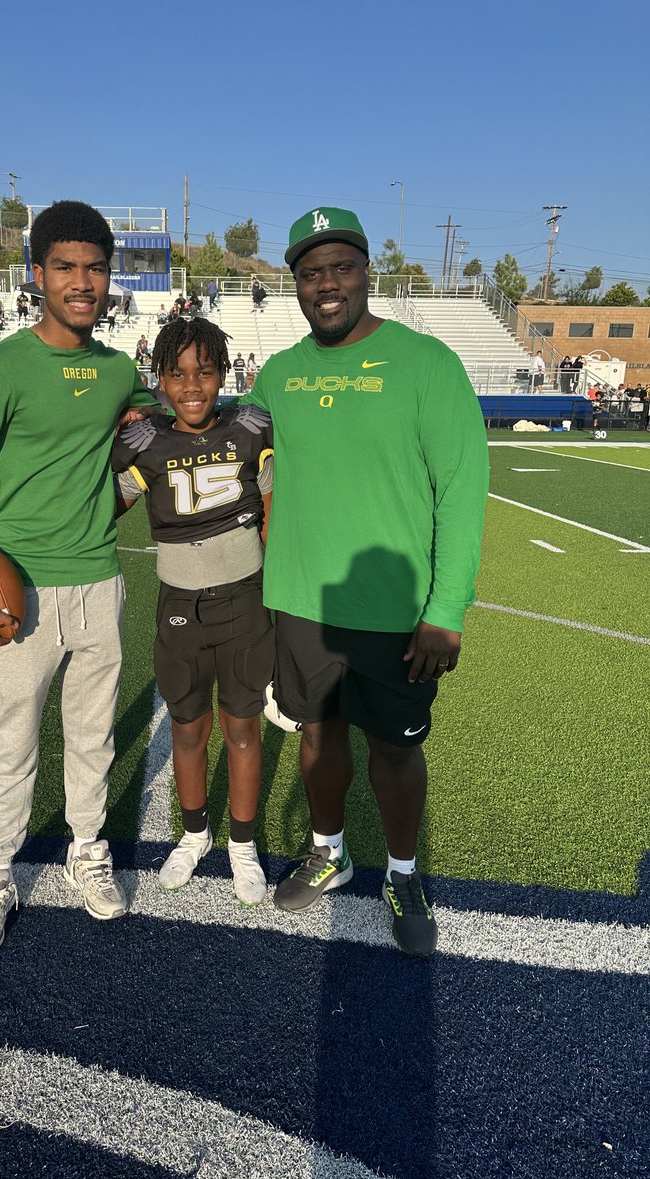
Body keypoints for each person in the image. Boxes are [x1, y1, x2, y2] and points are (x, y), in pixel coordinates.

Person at [246, 206, 488, 958]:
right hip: (301, 603)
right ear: (295, 285)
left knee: (396, 749)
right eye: (310, 273)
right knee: (318, 736)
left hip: (396, 613)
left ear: (366, 273)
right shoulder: (278, 375)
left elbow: (462, 492)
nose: (326, 285)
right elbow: (227, 447)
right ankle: (330, 852)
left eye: (341, 268)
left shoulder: (428, 363)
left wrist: (446, 610)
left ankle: (404, 874)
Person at [0, 199, 156, 957]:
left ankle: (85, 849)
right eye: (65, 267)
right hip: (19, 589)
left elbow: (149, 429)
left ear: (110, 276)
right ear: (37, 274)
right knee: (12, 741)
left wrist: (130, 461)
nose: (81, 282)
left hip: (99, 581)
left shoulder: (119, 371)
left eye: (95, 268)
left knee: (93, 736)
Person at [111, 317, 274, 905]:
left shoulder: (251, 428)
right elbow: (104, 507)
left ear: (223, 374)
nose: (192, 385)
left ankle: (243, 845)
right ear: (159, 379)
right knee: (188, 727)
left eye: (204, 372)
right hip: (179, 601)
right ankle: (196, 833)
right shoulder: (144, 443)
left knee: (242, 726)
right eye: (177, 374)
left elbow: (273, 509)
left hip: (245, 597)